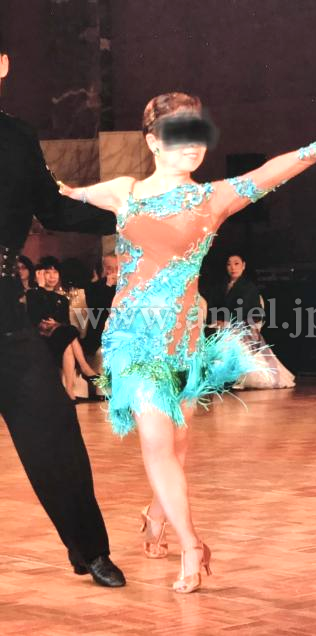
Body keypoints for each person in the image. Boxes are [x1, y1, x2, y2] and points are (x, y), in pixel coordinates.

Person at [62, 92, 316, 593]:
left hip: (185, 339)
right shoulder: (124, 191)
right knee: (158, 444)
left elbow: (269, 173)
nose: (192, 145)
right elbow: (63, 192)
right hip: (131, 339)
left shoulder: (215, 197)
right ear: (153, 142)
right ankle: (192, 545)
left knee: (178, 445)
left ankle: (155, 516)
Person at [0, 37, 125, 586]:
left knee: (55, 432)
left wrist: (130, 213)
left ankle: (89, 550)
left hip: (6, 319)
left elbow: (53, 209)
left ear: (3, 64)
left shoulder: (17, 137)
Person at [210, 253, 295, 389]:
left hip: (244, 324)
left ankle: (238, 378)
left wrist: (227, 321)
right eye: (229, 264)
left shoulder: (248, 287)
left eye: (236, 264)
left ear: (243, 266)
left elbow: (246, 310)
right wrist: (218, 320)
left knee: (234, 338)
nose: (233, 267)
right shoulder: (223, 286)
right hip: (228, 323)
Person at [26, 257, 99, 400]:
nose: (52, 276)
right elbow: (37, 317)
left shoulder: (62, 299)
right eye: (47, 272)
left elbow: (65, 322)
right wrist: (41, 287)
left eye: (55, 272)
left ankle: (70, 391)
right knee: (68, 334)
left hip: (59, 337)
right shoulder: (33, 294)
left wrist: (56, 324)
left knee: (67, 342)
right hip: (41, 337)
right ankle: (84, 368)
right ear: (39, 275)